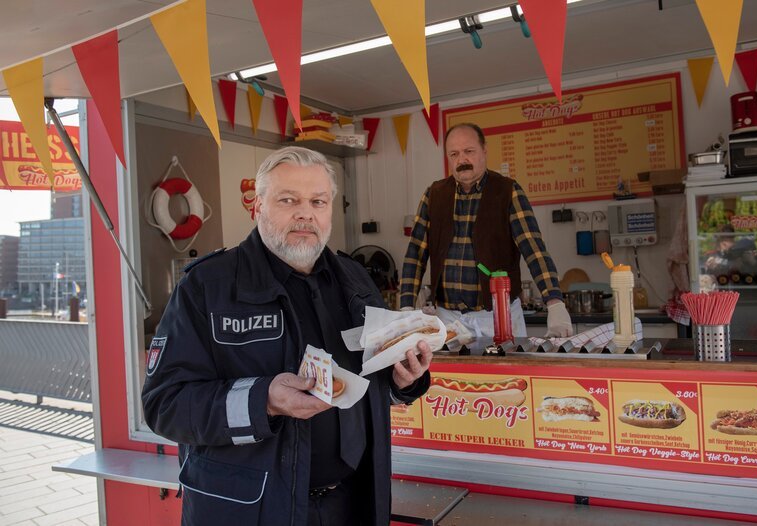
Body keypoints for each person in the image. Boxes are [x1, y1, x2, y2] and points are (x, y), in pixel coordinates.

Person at [142, 147, 432, 526]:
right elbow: (165, 405)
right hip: (252, 511)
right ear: (258, 206)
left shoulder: (356, 280)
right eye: (288, 199)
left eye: (318, 201)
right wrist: (264, 401)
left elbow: (367, 384)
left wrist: (401, 380)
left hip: (352, 504)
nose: (305, 212)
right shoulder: (207, 287)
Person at [400, 123, 572, 338]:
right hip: (448, 322)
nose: (461, 160)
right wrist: (406, 306)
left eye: (468, 151)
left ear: (484, 151)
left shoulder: (508, 191)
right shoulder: (433, 194)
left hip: (498, 318)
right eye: (454, 154)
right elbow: (415, 254)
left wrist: (554, 302)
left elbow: (533, 250)